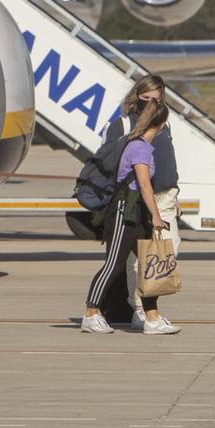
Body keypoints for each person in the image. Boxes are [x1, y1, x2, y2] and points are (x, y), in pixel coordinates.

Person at [79, 96, 178, 336]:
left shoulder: (143, 145)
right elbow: (144, 185)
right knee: (113, 264)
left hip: (137, 213)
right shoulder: (139, 147)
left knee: (148, 265)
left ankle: (152, 317)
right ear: (161, 123)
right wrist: (156, 216)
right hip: (124, 213)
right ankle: (91, 313)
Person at [103, 75, 178, 247]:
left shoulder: (163, 125)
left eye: (156, 100)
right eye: (146, 99)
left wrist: (174, 195)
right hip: (134, 200)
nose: (150, 104)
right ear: (136, 96)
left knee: (169, 249)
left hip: (163, 197)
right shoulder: (123, 125)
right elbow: (111, 164)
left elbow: (166, 162)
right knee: (135, 259)